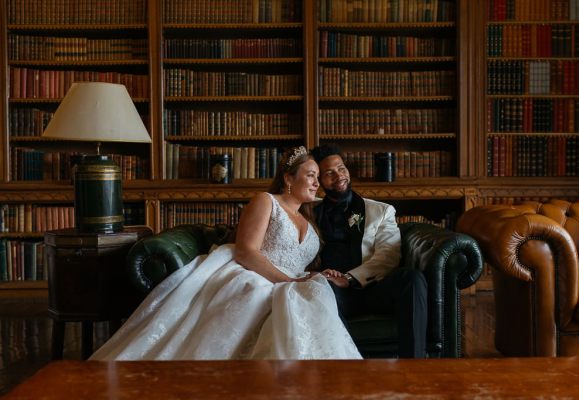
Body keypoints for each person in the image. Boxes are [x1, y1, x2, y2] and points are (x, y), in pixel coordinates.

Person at [90, 146, 361, 360]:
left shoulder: (309, 220)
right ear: (289, 178)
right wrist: (286, 282)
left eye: (317, 177)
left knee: (314, 297)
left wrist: (316, 274)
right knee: (265, 298)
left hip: (290, 280)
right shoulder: (266, 202)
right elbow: (246, 251)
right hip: (254, 273)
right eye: (311, 175)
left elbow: (298, 264)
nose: (317, 183)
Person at [310, 144, 428, 358]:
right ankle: (343, 365)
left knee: (412, 278)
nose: (339, 176)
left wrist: (349, 278)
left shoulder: (381, 211)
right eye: (329, 173)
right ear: (318, 180)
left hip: (371, 288)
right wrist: (323, 275)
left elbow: (388, 257)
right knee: (320, 289)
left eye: (341, 168)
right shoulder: (308, 211)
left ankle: (415, 364)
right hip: (329, 289)